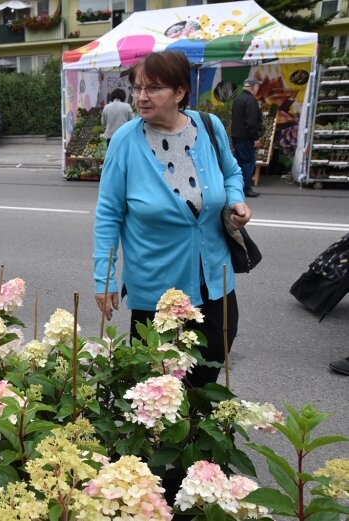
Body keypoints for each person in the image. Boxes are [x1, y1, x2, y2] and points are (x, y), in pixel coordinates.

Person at [93, 50, 252, 390]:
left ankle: (193, 431)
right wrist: (103, 279)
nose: (141, 97)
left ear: (180, 92)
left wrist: (236, 200)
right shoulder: (125, 142)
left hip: (214, 281)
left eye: (153, 88)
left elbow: (232, 172)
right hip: (156, 288)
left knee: (207, 369)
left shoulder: (210, 127)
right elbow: (108, 213)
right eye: (137, 88)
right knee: (158, 385)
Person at [231, 77, 262, 198]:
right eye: (257, 87)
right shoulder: (251, 101)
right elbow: (251, 122)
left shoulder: (237, 99)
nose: (257, 90)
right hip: (246, 137)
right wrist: (255, 138)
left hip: (236, 136)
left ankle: (236, 187)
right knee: (248, 163)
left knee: (237, 163)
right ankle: (246, 188)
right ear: (253, 87)